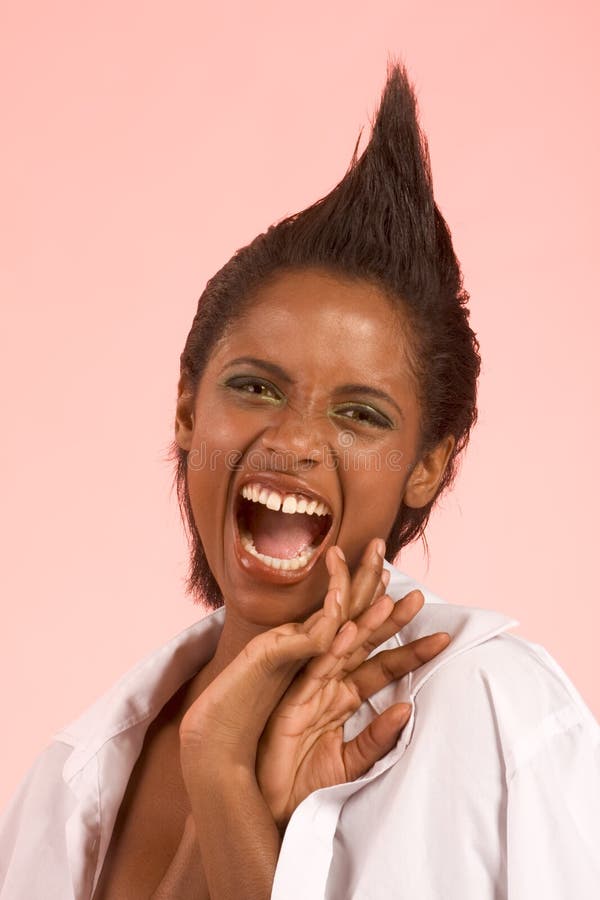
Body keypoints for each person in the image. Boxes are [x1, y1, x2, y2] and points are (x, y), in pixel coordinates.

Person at [1, 60, 599, 900]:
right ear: (186, 408)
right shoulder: (70, 776)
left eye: (360, 413)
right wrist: (221, 790)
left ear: (429, 465)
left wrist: (219, 779)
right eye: (255, 387)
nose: (293, 440)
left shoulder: (499, 719)